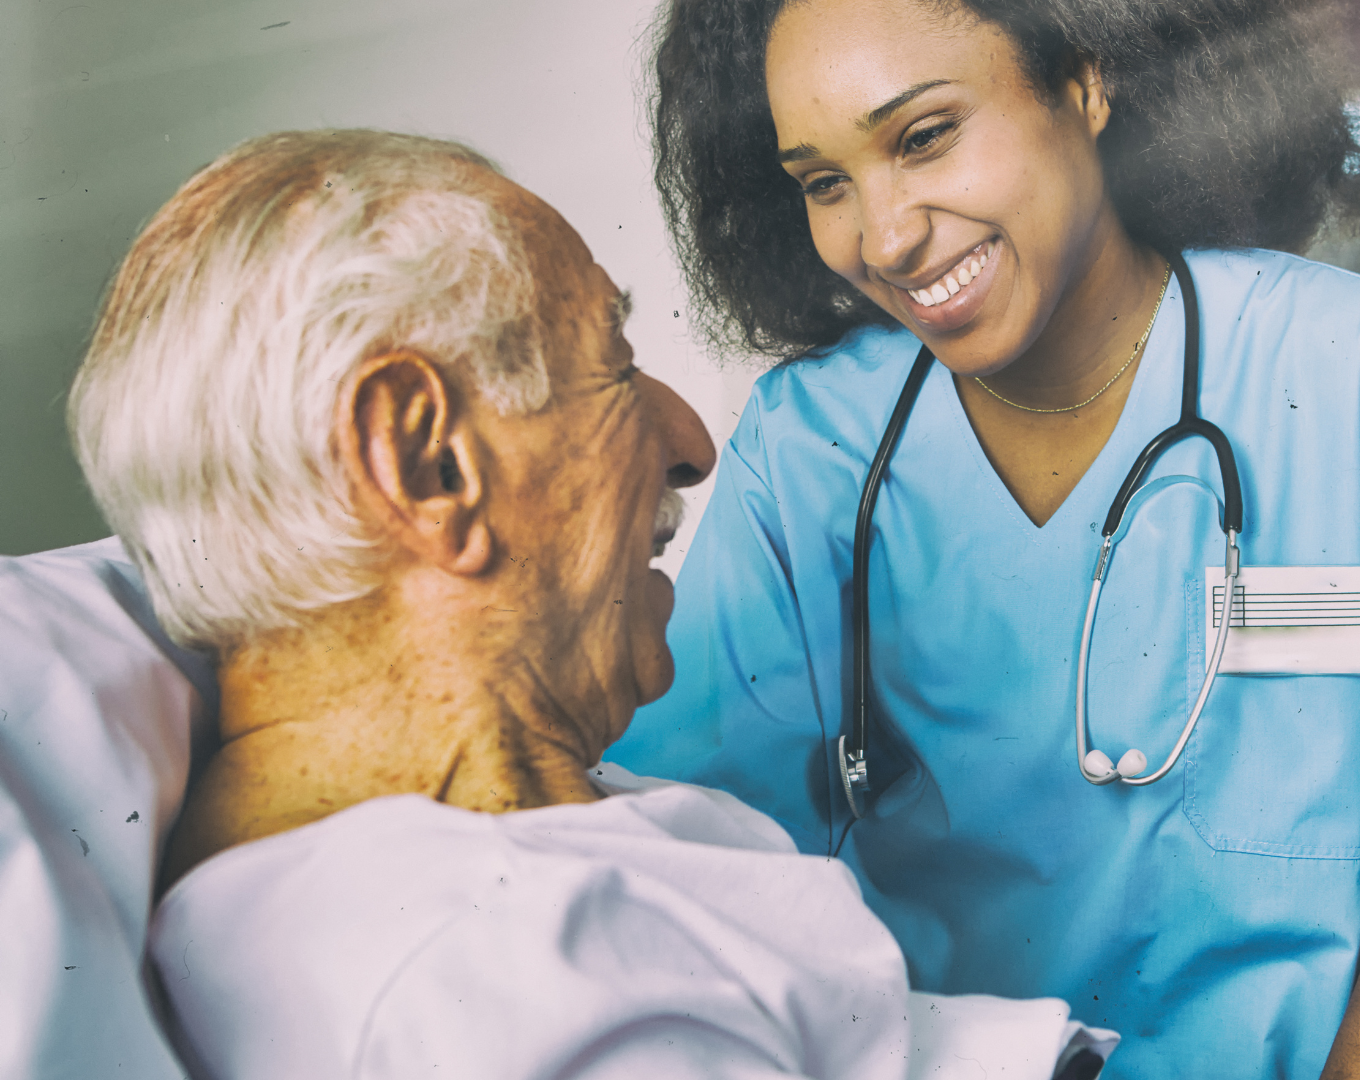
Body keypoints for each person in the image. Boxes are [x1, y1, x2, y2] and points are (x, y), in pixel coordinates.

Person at [605, 1, 1360, 1077]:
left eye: (924, 137)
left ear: (1086, 84)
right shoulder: (812, 446)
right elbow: (694, 848)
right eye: (826, 182)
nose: (886, 234)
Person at [69, 129, 1114, 1080]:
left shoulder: (476, 855)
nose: (693, 446)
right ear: (426, 463)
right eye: (615, 367)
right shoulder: (491, 975)